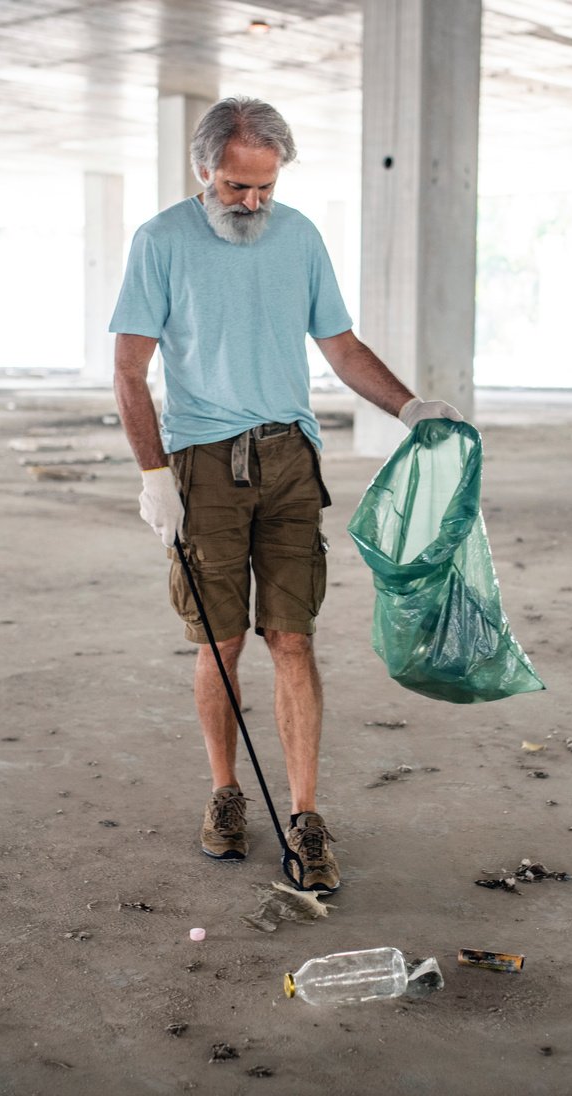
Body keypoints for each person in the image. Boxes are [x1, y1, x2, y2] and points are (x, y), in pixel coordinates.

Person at [108, 97, 460, 893]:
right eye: (236, 186)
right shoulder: (160, 241)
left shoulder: (298, 236)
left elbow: (339, 345)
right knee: (220, 642)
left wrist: (409, 406)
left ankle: (304, 815)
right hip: (202, 464)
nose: (253, 202)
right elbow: (129, 370)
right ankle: (226, 795)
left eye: (265, 187)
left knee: (291, 637)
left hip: (291, 461)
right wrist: (153, 473)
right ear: (204, 171)